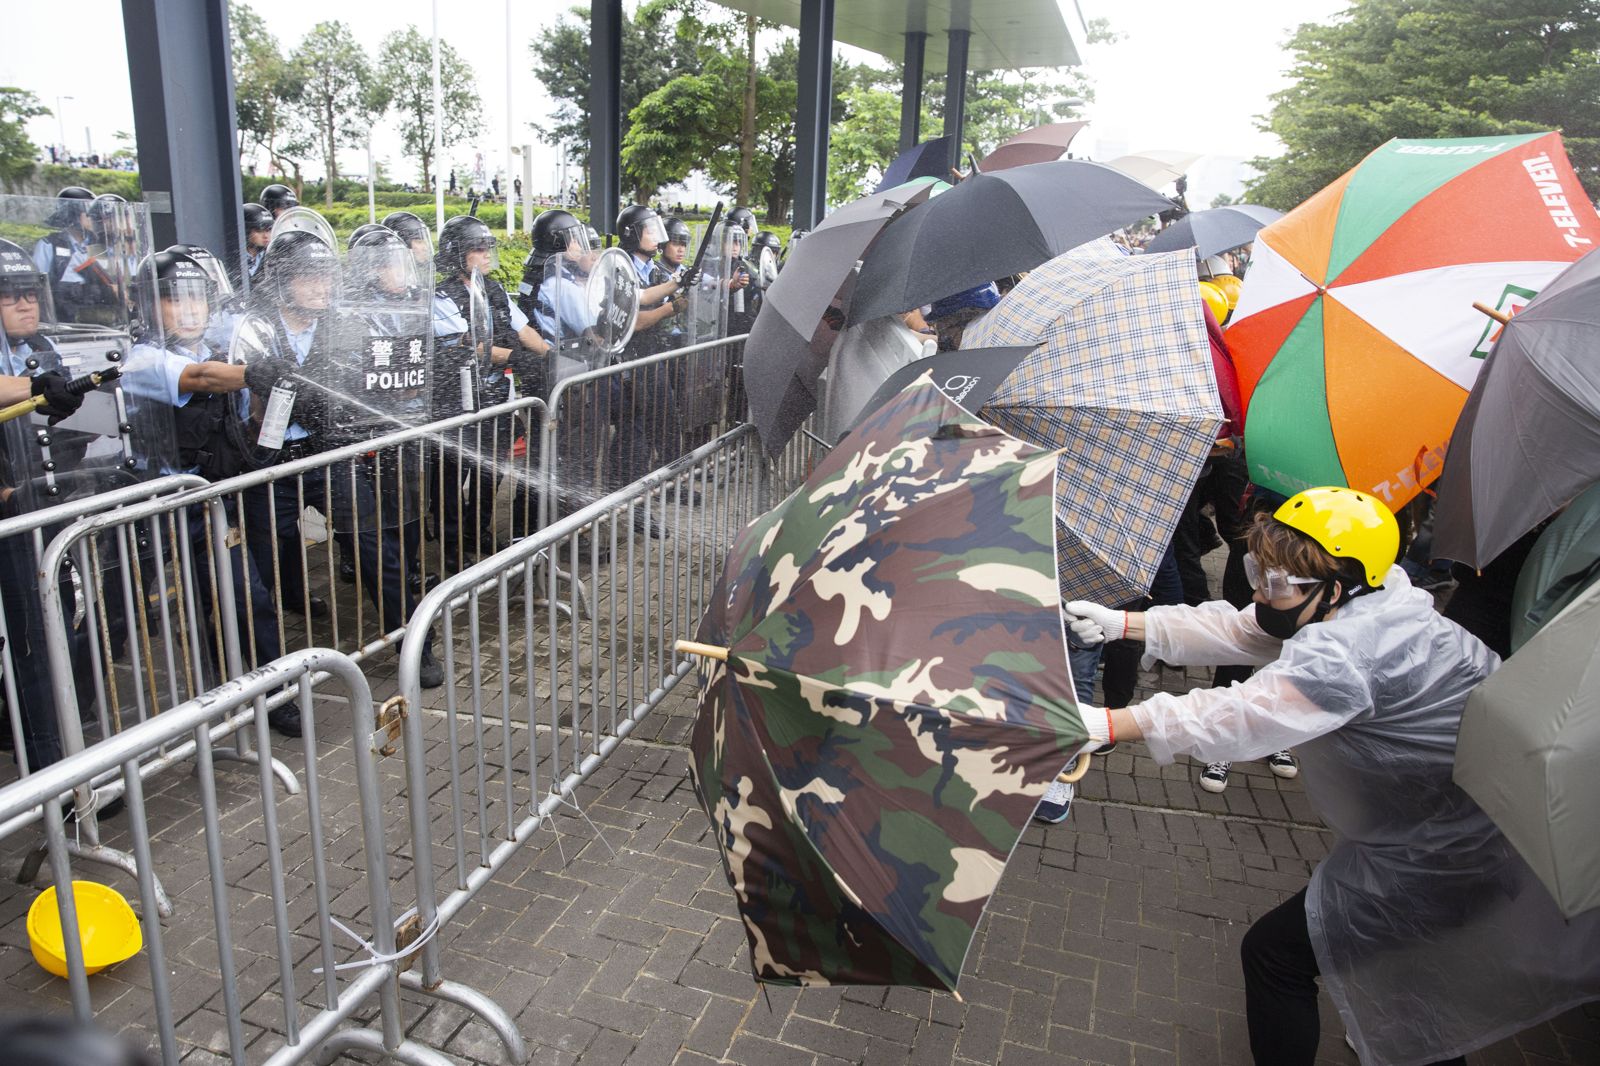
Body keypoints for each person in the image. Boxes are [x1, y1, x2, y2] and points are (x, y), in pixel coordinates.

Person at [1062, 486, 1600, 1065]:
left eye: (1278, 584)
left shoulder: (1353, 653)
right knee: (1410, 985)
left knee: (1277, 957)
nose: (1263, 592)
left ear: (1336, 588)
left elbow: (1242, 712)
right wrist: (1122, 624)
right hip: (1441, 829)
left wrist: (1113, 723)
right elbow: (1246, 630)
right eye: (1257, 573)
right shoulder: (1376, 594)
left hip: (1446, 852)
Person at [233, 223, 449, 715]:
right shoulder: (252, 330)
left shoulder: (347, 324)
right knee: (258, 578)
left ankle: (414, 644)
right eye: (309, 278)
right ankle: (271, 689)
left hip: (329, 455)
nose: (322, 287)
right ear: (281, 280)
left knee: (378, 547)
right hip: (266, 465)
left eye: (327, 277)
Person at [122, 248, 286, 689]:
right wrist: (255, 372)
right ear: (146, 303)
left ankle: (273, 689)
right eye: (175, 298)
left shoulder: (221, 350)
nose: (191, 309)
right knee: (137, 611)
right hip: (157, 509)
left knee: (247, 595)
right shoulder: (141, 359)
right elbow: (200, 378)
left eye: (198, 297)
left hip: (210, 500)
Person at [0, 239, 92, 772]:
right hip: (12, 514)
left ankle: (69, 755)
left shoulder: (44, 350)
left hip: (48, 505)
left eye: (29, 292)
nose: (24, 303)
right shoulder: (31, 369)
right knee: (33, 644)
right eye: (8, 294)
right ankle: (50, 772)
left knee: (62, 631)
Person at [431, 214, 550, 558]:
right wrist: (518, 358)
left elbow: (524, 328)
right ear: (457, 254)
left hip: (496, 398)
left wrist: (551, 356)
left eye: (488, 248)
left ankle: (478, 529)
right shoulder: (443, 296)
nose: (486, 255)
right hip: (458, 402)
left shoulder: (492, 288)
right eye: (478, 249)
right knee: (453, 476)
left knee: (492, 468)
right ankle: (451, 545)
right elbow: (470, 347)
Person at [33, 186, 119, 324]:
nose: (96, 219)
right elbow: (38, 289)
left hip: (99, 320)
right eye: (89, 214)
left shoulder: (100, 246)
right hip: (62, 323)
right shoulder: (49, 245)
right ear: (73, 214)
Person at [243, 203, 273, 280]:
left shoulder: (272, 257)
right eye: (259, 230)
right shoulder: (232, 257)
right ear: (245, 231)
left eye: (269, 230)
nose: (266, 236)